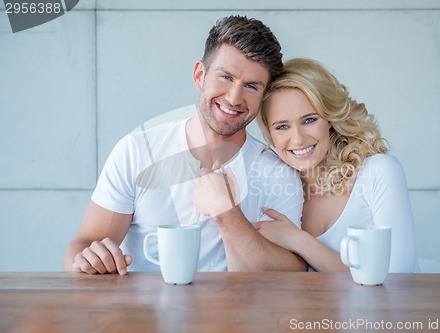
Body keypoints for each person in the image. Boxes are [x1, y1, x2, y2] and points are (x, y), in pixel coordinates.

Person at [64, 16, 307, 275]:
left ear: (263, 96)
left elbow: (292, 276)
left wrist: (228, 215)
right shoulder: (137, 150)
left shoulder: (278, 172)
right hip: (142, 315)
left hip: (233, 315)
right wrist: (86, 260)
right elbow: (82, 246)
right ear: (200, 75)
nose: (234, 98)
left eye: (250, 86)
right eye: (225, 77)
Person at [254, 58, 419, 273]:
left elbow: (397, 278)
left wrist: (299, 241)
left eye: (309, 120)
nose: (297, 139)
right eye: (282, 126)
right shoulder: (273, 197)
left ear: (329, 117)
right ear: (270, 133)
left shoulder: (378, 172)